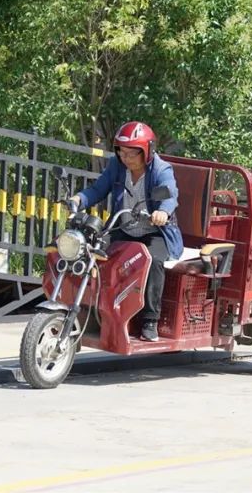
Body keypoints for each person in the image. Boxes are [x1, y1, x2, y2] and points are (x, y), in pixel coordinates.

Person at [70, 121, 182, 341]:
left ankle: (150, 320)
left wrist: (163, 213)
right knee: (91, 250)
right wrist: (78, 199)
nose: (126, 158)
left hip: (156, 232)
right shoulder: (117, 166)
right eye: (122, 152)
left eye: (132, 153)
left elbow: (170, 196)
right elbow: (97, 190)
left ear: (147, 151)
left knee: (154, 261)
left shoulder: (160, 169)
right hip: (124, 227)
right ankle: (91, 307)